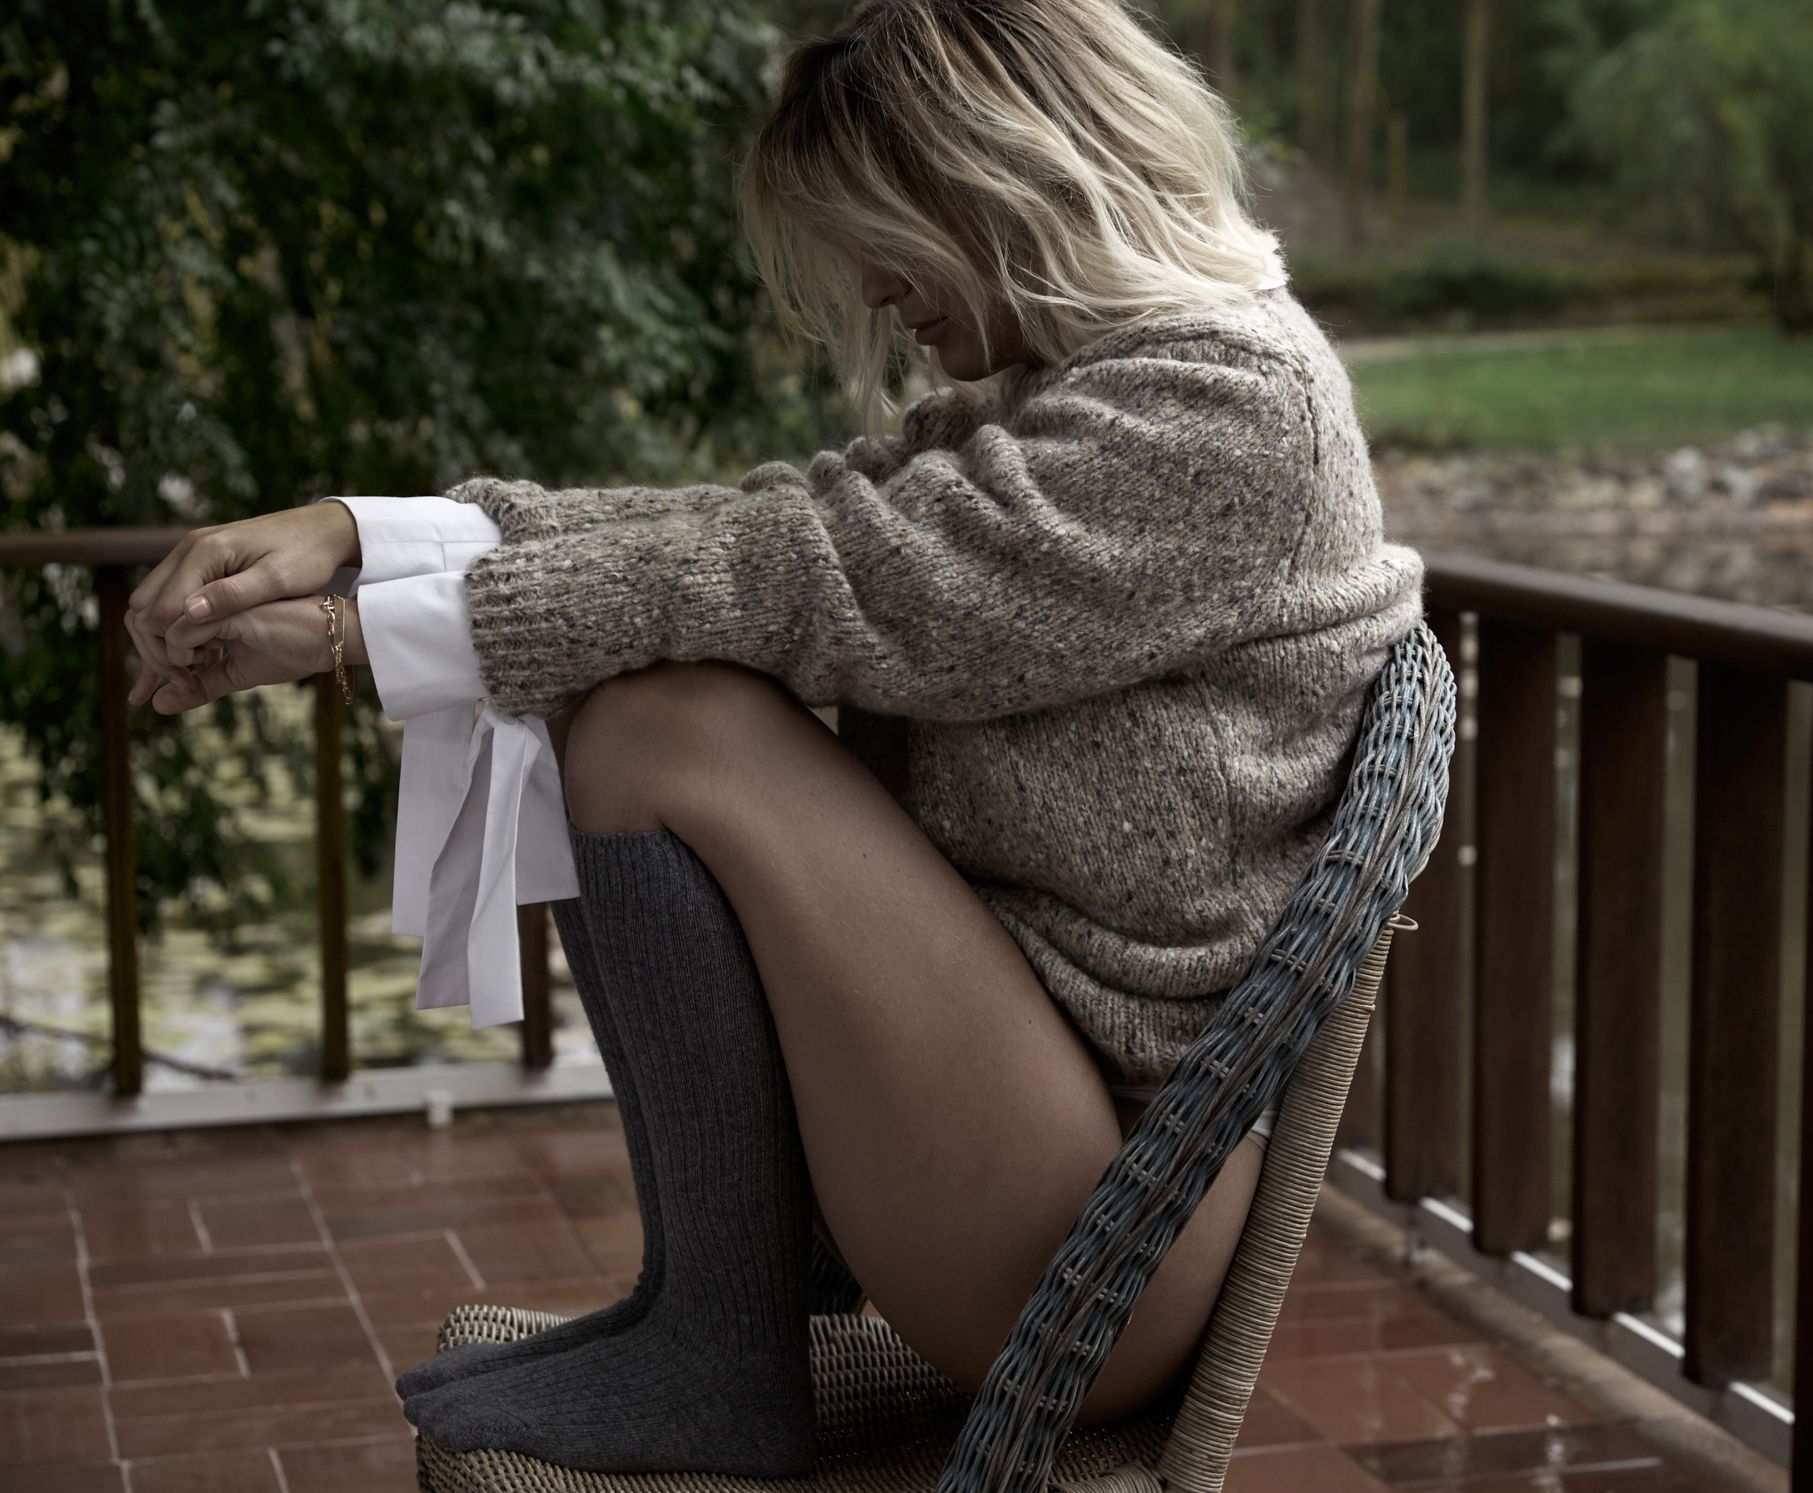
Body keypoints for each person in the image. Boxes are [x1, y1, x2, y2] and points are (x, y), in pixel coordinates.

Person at [119, 0, 1425, 1479]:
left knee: (663, 724)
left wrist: (362, 632)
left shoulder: (1229, 410)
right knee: (648, 699)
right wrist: (367, 535)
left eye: (887, 236)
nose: (872, 288)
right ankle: (702, 1319)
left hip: (1096, 1246)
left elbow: (815, 575)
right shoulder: (1093, 387)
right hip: (1035, 1144)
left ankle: (716, 1349)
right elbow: (786, 520)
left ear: (1011, 175)